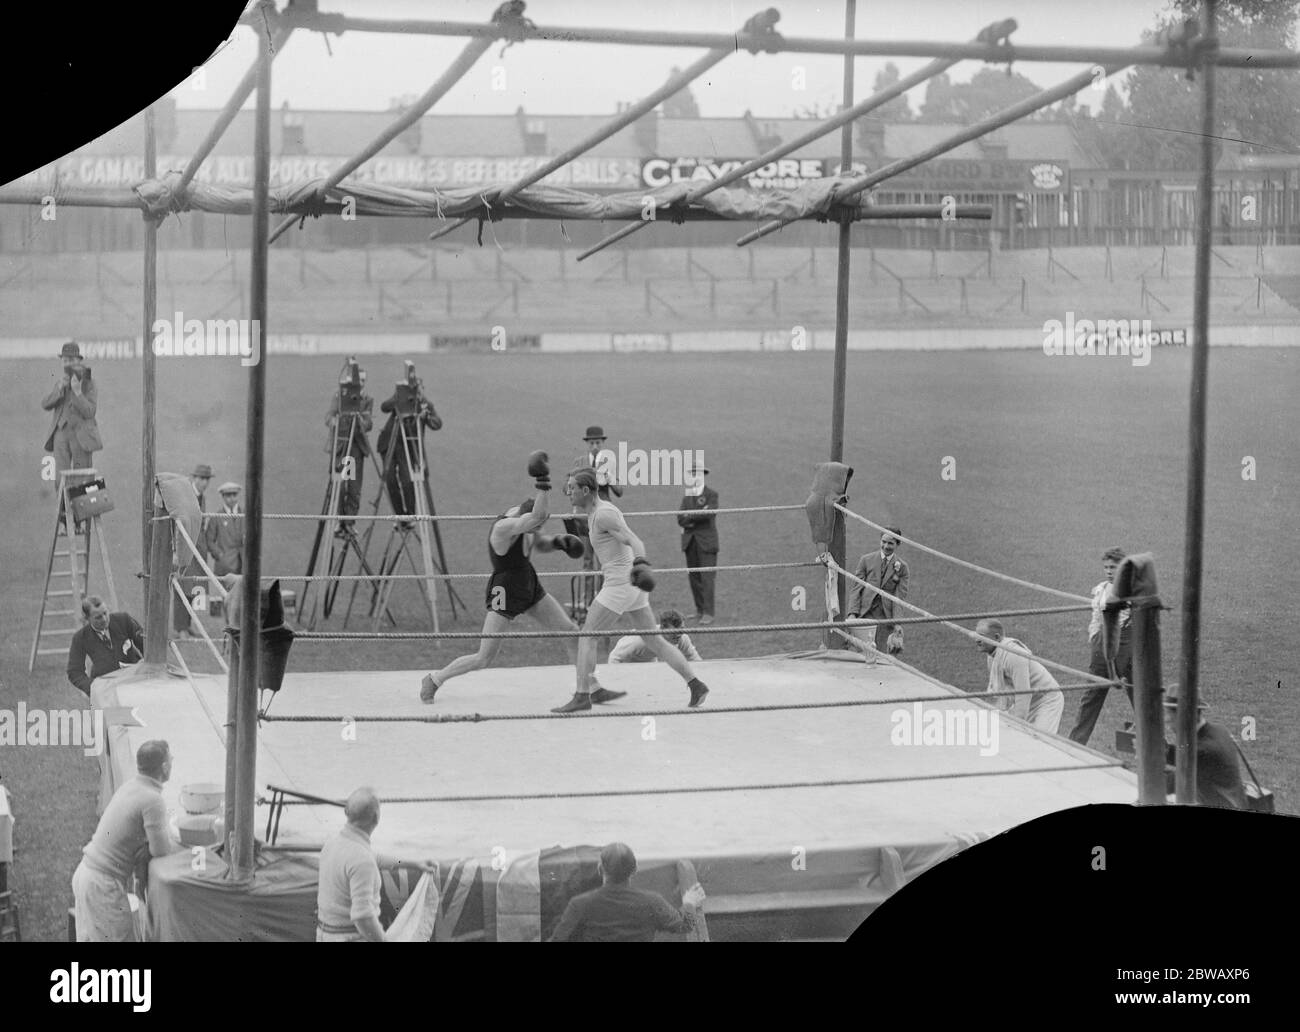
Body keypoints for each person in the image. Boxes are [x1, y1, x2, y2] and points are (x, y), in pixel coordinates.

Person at [420, 453, 617, 704]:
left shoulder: (524, 522)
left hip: (528, 582)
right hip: (505, 590)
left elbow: (538, 541)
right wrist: (543, 482)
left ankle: (591, 686)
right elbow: (535, 519)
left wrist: (559, 543)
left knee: (570, 632)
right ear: (524, 521)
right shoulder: (504, 528)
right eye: (534, 526)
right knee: (484, 657)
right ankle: (435, 679)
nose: (537, 530)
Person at [552, 467, 709, 713]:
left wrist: (642, 565)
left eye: (572, 488)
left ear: (586, 490)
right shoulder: (596, 512)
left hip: (620, 584)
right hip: (630, 585)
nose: (568, 492)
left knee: (587, 636)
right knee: (654, 640)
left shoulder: (604, 514)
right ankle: (696, 684)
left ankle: (583, 694)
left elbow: (635, 540)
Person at [71, 740, 182, 941]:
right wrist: (151, 845)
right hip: (102, 884)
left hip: (86, 874)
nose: (172, 762)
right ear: (164, 767)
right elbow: (162, 850)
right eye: (170, 759)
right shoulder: (152, 799)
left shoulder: (131, 786)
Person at [316, 787, 436, 942]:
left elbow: (375, 859)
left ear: (346, 812)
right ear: (376, 817)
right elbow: (362, 917)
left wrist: (415, 864)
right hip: (350, 936)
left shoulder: (332, 843)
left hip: (324, 934)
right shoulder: (361, 858)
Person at [549, 842, 705, 943]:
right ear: (634, 870)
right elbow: (686, 925)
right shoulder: (652, 902)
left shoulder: (580, 903)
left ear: (600, 869)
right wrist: (689, 903)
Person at [1068, 547, 1134, 745]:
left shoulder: (1130, 590)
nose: (1108, 571)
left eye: (1113, 567)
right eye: (1106, 567)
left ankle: (1156, 746)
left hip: (1124, 644)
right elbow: (1096, 617)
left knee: (1138, 695)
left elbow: (1126, 621)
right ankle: (1076, 742)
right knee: (1092, 696)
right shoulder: (1102, 588)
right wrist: (1094, 636)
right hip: (1102, 645)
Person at [41, 341, 103, 513]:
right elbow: (45, 403)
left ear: (79, 361)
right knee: (60, 478)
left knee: (82, 477)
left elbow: (90, 411)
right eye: (65, 360)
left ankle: (82, 518)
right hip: (60, 434)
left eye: (71, 360)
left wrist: (77, 392)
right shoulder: (61, 381)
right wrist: (60, 388)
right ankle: (64, 518)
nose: (67, 363)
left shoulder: (89, 383)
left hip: (80, 437)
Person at [974, 618, 1064, 734]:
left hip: (1046, 699)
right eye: (976, 635)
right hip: (1029, 699)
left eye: (981, 636)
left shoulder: (1014, 655)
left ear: (996, 638)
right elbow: (1001, 691)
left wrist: (1017, 725)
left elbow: (1024, 694)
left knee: (1040, 740)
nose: (977, 640)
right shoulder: (992, 656)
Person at [378, 366, 441, 524]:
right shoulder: (399, 398)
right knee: (390, 480)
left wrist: (425, 414)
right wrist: (398, 397)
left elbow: (437, 423)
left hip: (408, 449)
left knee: (407, 481)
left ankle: (410, 515)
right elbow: (384, 407)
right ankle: (400, 516)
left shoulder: (425, 404)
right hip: (389, 444)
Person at [1163, 695, 1247, 810]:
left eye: (1169, 715)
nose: (1166, 720)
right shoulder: (1219, 730)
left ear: (1185, 716)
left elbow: (1164, 786)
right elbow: (1183, 757)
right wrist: (1165, 751)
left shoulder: (1203, 751)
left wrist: (1151, 754)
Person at [325, 365, 373, 535]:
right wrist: (336, 422)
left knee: (354, 488)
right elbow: (329, 416)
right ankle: (339, 521)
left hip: (355, 450)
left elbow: (369, 424)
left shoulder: (366, 399)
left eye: (363, 381)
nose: (361, 384)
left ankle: (349, 522)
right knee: (340, 486)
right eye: (358, 380)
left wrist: (360, 421)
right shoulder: (339, 395)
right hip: (341, 447)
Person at [848, 527, 910, 656]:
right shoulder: (866, 560)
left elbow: (899, 597)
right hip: (864, 614)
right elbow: (856, 589)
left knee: (881, 656)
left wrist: (897, 623)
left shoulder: (902, 568)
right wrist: (852, 614)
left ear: (898, 544)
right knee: (859, 654)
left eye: (890, 543)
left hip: (885, 618)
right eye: (884, 542)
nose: (886, 546)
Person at [67, 595, 145, 696]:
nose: (104, 619)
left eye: (105, 613)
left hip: (134, 681)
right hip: (106, 690)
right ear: (87, 618)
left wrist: (145, 663)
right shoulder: (80, 638)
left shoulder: (123, 620)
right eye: (98, 617)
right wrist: (94, 687)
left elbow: (147, 644)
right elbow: (74, 672)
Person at [174, 464, 214, 637]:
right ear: (194, 478)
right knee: (182, 586)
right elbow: (177, 524)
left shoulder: (201, 497)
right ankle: (180, 627)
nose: (205, 483)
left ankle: (189, 624)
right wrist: (176, 550)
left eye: (207, 479)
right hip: (185, 548)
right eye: (202, 479)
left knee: (195, 586)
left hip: (198, 549)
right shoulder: (186, 496)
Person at [677, 464, 719, 625]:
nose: (696, 477)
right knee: (694, 577)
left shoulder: (712, 495)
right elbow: (680, 518)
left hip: (707, 543)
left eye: (699, 474)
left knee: (707, 577)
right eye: (693, 474)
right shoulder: (687, 497)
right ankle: (699, 610)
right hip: (690, 543)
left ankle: (709, 612)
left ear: (703, 476)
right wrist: (697, 515)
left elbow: (709, 513)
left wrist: (690, 516)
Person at [609, 609, 703, 664]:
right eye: (674, 631)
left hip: (648, 661)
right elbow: (615, 657)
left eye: (682, 629)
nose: (679, 634)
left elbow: (695, 659)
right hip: (627, 662)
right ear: (662, 628)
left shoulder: (682, 638)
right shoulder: (641, 639)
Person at [206, 482, 244, 576]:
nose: (232, 498)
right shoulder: (217, 517)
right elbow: (209, 540)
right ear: (223, 497)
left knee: (242, 590)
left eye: (234, 495)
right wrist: (219, 555)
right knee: (224, 590)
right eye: (228, 495)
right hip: (225, 566)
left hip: (244, 564)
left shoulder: (245, 515)